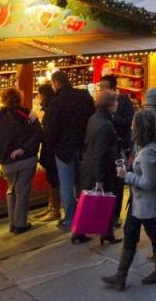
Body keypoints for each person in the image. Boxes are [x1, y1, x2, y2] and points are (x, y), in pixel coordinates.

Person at [101, 109, 156, 289]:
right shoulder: (149, 145)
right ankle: (121, 275)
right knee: (131, 233)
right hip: (140, 202)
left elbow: (149, 183)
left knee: (153, 235)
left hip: (147, 203)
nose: (131, 126)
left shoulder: (148, 153)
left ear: (140, 128)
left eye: (134, 123)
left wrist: (127, 175)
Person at [0, 87, 42, 233]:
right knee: (22, 190)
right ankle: (20, 224)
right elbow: (39, 133)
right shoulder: (28, 114)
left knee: (12, 190)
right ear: (20, 98)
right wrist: (24, 148)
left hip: (7, 161)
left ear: (3, 100)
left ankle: (13, 222)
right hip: (27, 159)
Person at [43, 70, 94, 231]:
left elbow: (51, 130)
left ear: (56, 83)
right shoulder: (84, 96)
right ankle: (86, 215)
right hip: (83, 146)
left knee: (66, 185)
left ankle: (71, 218)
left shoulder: (55, 103)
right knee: (83, 182)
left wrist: (51, 147)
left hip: (63, 150)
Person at [74, 90, 121, 245]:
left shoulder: (94, 118)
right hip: (103, 169)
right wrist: (100, 178)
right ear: (110, 104)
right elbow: (101, 153)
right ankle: (106, 233)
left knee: (90, 200)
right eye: (115, 102)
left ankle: (80, 232)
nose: (117, 105)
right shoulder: (106, 125)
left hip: (89, 165)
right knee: (105, 201)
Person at [99, 75, 134, 228]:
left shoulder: (124, 102)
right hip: (109, 148)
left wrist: (114, 118)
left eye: (104, 87)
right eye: (100, 87)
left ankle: (116, 215)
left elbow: (128, 121)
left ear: (113, 88)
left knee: (118, 183)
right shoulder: (101, 106)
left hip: (121, 148)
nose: (101, 90)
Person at [34, 84, 61, 222]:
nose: (37, 98)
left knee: (53, 179)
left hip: (51, 150)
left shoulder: (51, 110)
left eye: (39, 95)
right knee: (50, 179)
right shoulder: (50, 108)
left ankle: (55, 210)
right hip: (49, 149)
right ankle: (51, 206)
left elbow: (51, 131)